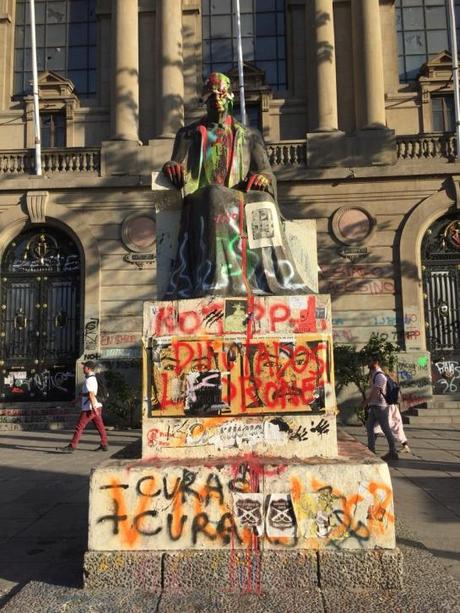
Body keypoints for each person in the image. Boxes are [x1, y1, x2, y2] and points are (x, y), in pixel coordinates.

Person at [162, 72, 312, 298]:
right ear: (204, 100)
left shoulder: (250, 135)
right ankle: (219, 279)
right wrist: (172, 166)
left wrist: (263, 178)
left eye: (221, 93)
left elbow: (266, 171)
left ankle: (272, 279)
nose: (217, 99)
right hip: (204, 196)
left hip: (240, 194)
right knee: (215, 194)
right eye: (212, 95)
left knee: (263, 201)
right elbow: (177, 163)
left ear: (230, 96)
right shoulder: (188, 134)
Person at [62, 360, 108, 453]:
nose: (83, 368)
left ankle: (72, 446)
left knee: (79, 426)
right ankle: (104, 444)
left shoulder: (89, 380)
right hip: (97, 406)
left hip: (89, 408)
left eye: (84, 367)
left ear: (88, 369)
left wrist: (94, 408)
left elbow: (91, 394)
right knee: (100, 426)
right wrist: (76, 401)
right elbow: (85, 393)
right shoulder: (92, 378)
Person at [364, 354, 399, 461]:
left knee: (386, 429)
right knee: (369, 426)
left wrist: (366, 402)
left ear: (376, 362)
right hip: (375, 406)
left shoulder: (380, 376)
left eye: (370, 361)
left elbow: (376, 391)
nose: (368, 363)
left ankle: (393, 452)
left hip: (381, 407)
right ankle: (371, 450)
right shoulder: (375, 373)